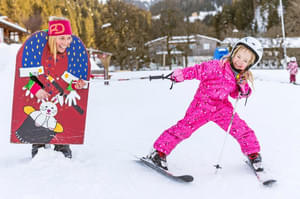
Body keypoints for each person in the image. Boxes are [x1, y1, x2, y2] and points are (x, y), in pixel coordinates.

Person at [146, 37, 264, 172]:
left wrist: (243, 88)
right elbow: (196, 70)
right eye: (238, 56)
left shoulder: (240, 77)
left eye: (245, 61)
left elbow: (236, 95)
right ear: (233, 53)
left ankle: (253, 153)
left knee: (240, 128)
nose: (240, 62)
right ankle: (158, 152)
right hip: (201, 105)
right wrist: (181, 74)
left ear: (250, 64)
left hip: (222, 108)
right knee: (183, 129)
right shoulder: (216, 66)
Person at [13, 16, 88, 159]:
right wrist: (36, 89)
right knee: (37, 118)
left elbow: (70, 82)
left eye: (68, 38)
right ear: (52, 38)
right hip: (40, 95)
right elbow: (24, 78)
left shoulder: (70, 54)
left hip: (58, 96)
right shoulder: (37, 51)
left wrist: (74, 86)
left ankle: (63, 144)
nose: (66, 43)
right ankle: (38, 144)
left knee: (62, 116)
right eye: (62, 38)